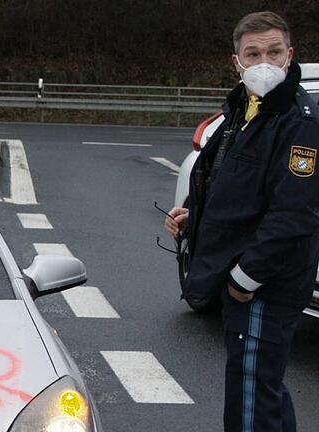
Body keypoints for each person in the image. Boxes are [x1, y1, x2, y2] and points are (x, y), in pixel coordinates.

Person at [164, 11, 319, 432]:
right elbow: (233, 184)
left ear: (290, 56)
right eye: (253, 53)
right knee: (260, 385)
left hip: (266, 281)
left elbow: (294, 214)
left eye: (273, 51)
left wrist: (243, 279)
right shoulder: (245, 107)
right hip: (247, 272)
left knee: (250, 397)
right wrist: (195, 214)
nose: (263, 62)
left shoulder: (299, 122)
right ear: (237, 61)